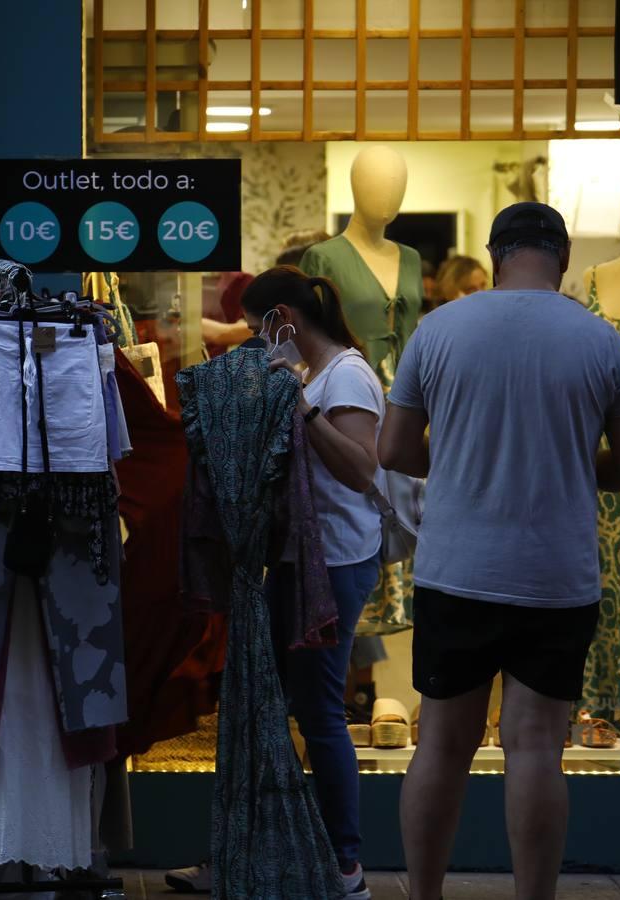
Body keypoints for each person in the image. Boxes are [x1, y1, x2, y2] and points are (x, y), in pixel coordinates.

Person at [379, 203, 620, 900]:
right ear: (562, 258)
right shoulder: (600, 340)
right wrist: (569, 461)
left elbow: (391, 451)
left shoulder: (438, 330)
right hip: (556, 577)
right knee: (535, 747)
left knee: (442, 744)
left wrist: (461, 454)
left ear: (496, 254)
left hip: (456, 570)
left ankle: (424, 896)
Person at [251, 266, 385, 900]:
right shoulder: (317, 374)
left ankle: (345, 865)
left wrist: (299, 409)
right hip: (305, 559)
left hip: (334, 561)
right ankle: (268, 850)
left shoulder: (347, 375)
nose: (259, 343)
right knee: (283, 706)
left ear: (285, 319)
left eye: (261, 329)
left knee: (320, 712)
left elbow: (361, 470)